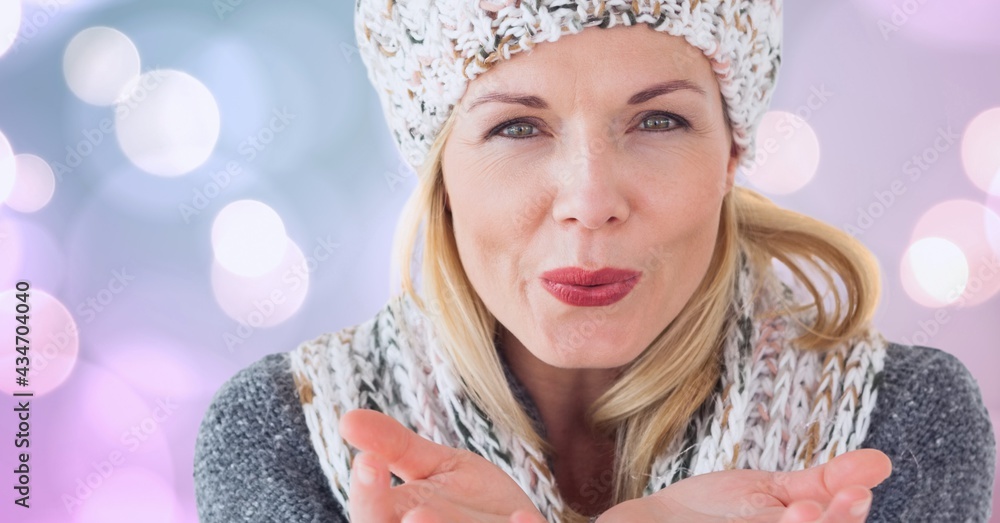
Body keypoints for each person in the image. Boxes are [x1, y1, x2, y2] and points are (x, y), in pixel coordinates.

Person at [193, 1, 996, 522]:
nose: (590, 198)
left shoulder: (898, 421)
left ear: (730, 154)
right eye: (517, 127)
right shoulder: (286, 435)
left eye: (657, 121)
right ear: (439, 171)